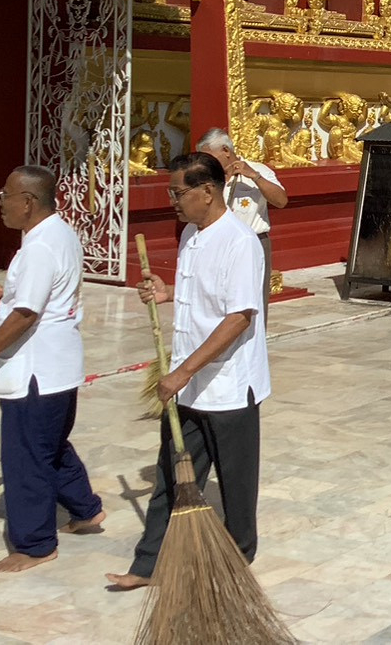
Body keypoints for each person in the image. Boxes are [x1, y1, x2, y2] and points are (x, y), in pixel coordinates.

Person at [107, 153, 270, 590]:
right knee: (172, 475)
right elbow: (205, 295)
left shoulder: (239, 241)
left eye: (179, 193)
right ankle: (148, 563)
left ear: (207, 191)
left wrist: (181, 373)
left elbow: (239, 317)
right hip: (188, 386)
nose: (173, 201)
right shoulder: (191, 238)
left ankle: (239, 558)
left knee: (235, 485)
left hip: (228, 387)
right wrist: (167, 293)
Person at [0, 165, 104, 573]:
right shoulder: (58, 233)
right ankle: (86, 508)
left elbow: (27, 313)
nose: (0, 204)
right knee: (50, 444)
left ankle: (34, 545)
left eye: (5, 196)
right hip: (59, 366)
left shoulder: (40, 247)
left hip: (37, 369)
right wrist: (8, 291)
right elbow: (34, 294)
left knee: (26, 456)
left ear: (27, 202)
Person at [197, 128, 287, 316]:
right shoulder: (207, 177)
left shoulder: (259, 170)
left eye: (209, 157)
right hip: (217, 243)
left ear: (226, 151)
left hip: (253, 242)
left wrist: (254, 176)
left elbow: (281, 201)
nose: (206, 163)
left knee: (252, 302)